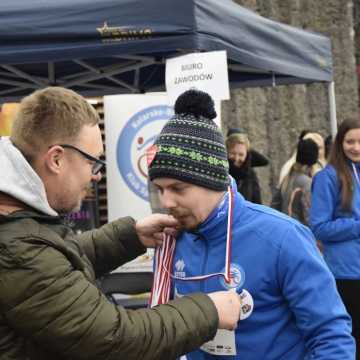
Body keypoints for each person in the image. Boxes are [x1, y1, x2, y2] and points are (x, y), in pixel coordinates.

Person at [0, 87, 242, 360]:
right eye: (92, 162)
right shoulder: (17, 248)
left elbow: (55, 261)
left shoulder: (16, 222)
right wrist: (209, 310)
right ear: (56, 159)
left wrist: (130, 237)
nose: (96, 176)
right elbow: (117, 339)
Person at [148, 89, 355, 359]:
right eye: (159, 189)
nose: (167, 201)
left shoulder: (282, 237)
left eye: (178, 188)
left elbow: (330, 335)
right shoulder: (169, 243)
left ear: (212, 180)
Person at [310, 115, 360, 359]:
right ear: (340, 143)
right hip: (346, 274)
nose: (356, 147)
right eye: (350, 141)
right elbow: (319, 227)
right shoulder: (327, 177)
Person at [271, 138, 319, 226]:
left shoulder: (288, 178)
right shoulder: (306, 183)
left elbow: (274, 206)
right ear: (311, 165)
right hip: (300, 234)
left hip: (285, 230)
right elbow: (310, 217)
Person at [226, 132, 262, 203]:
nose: (236, 158)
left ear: (247, 155)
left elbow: (257, 203)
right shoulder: (220, 172)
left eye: (241, 154)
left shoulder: (251, 175)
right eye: (232, 153)